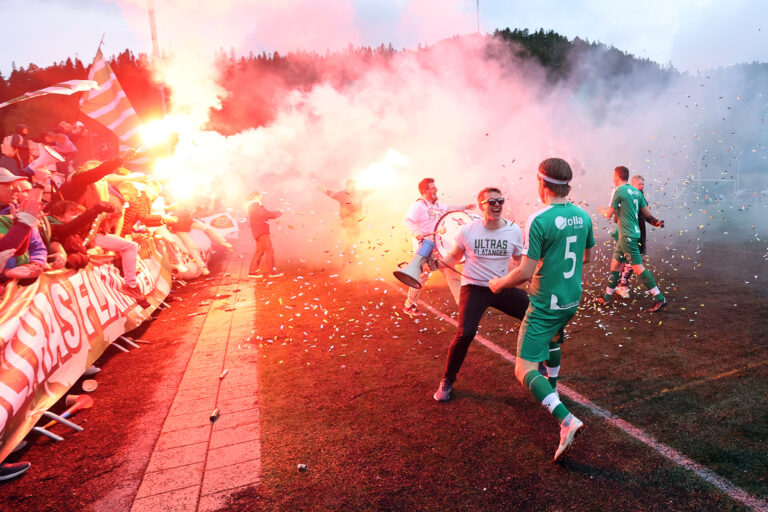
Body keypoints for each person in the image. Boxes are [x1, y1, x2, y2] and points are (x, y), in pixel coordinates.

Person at [489, 157, 595, 461]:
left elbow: (525, 271)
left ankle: (566, 420)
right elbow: (587, 258)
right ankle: (553, 388)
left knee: (523, 369)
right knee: (552, 339)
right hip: (571, 299)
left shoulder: (539, 219)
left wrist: (498, 284)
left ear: (542, 183)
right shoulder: (583, 215)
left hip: (546, 303)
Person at [433, 187, 529, 402]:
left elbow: (518, 260)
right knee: (465, 333)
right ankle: (447, 380)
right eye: (492, 202)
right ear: (480, 206)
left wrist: (522, 275)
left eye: (500, 201)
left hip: (501, 286)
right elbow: (454, 257)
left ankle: (537, 362)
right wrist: (437, 264)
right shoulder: (467, 230)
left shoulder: (513, 230)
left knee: (533, 316)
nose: (497, 205)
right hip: (474, 288)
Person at [598, 166, 666, 312]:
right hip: (631, 234)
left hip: (627, 236)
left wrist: (602, 210)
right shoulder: (637, 193)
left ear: (617, 176)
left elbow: (608, 215)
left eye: (613, 176)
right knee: (615, 265)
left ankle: (660, 298)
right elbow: (647, 214)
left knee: (638, 268)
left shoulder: (618, 191)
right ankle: (607, 298)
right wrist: (657, 222)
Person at [403, 177, 475, 315]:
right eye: (433, 188)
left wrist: (465, 207)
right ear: (425, 191)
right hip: (425, 248)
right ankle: (410, 305)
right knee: (422, 276)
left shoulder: (437, 205)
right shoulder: (418, 206)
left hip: (440, 248)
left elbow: (450, 208)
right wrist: (416, 233)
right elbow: (407, 222)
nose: (436, 190)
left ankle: (464, 306)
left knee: (451, 273)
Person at [615, 175, 651, 298]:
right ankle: (621, 285)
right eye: (639, 184)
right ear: (633, 184)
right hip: (629, 232)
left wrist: (655, 222)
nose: (641, 186)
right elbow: (616, 217)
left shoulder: (640, 196)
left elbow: (646, 215)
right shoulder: (627, 196)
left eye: (643, 184)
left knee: (626, 259)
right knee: (631, 260)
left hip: (637, 231)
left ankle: (617, 284)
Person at [318, 179, 374, 244]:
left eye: (353, 184)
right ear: (347, 185)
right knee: (350, 233)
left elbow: (369, 191)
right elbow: (333, 195)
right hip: (346, 218)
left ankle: (353, 245)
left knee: (356, 234)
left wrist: (379, 187)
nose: (352, 186)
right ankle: (350, 245)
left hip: (356, 218)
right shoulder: (342, 194)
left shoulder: (359, 193)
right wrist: (325, 191)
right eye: (350, 184)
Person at [247, 191, 282, 278]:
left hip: (258, 231)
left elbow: (265, 214)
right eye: (260, 195)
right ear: (256, 196)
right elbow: (266, 214)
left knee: (259, 251)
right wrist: (279, 213)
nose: (262, 196)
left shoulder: (254, 205)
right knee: (269, 250)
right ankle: (271, 272)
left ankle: (252, 272)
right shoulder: (255, 205)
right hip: (261, 231)